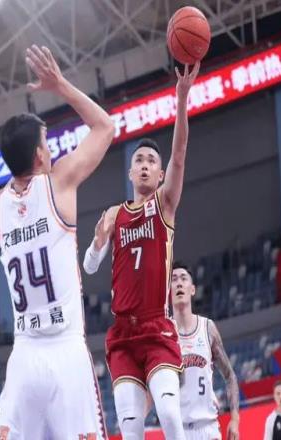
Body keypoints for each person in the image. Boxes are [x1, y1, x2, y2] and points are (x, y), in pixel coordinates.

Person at [0, 45, 114, 439]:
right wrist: (60, 86)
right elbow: (105, 127)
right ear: (40, 155)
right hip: (65, 351)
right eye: (48, 142)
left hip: (23, 358)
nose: (53, 148)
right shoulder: (58, 184)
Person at [83, 62, 200, 440]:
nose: (146, 166)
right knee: (130, 428)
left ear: (161, 174)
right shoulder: (114, 214)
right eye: (139, 161)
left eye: (152, 162)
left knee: (169, 414)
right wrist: (97, 243)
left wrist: (181, 98)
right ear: (130, 173)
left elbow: (179, 154)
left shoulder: (164, 204)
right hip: (122, 333)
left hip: (156, 327)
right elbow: (89, 268)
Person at [171, 261, 239, 440]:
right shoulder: (165, 333)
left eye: (183, 278)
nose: (179, 283)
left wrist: (235, 419)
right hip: (177, 431)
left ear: (192, 289)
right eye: (174, 279)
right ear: (168, 291)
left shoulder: (207, 328)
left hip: (208, 428)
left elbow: (230, 376)